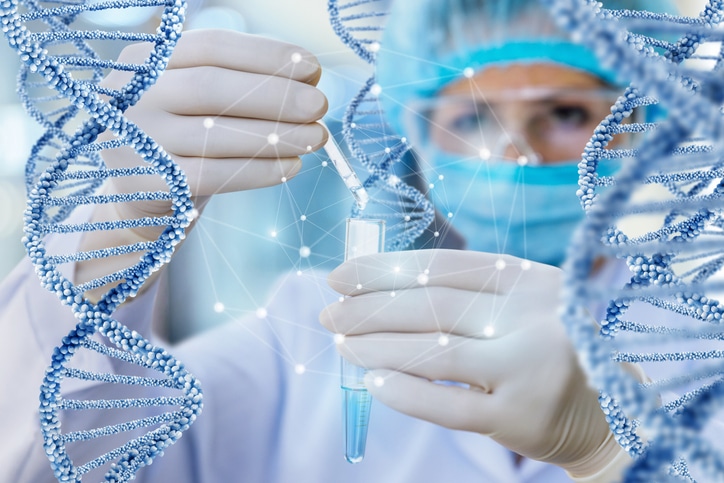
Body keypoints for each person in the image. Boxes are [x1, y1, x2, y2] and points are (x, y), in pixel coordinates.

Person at [0, 0, 692, 482]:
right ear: (419, 133)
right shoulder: (306, 329)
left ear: (640, 125)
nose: (512, 149)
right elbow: (43, 462)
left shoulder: (698, 341)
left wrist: (619, 452)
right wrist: (103, 236)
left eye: (565, 112)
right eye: (471, 118)